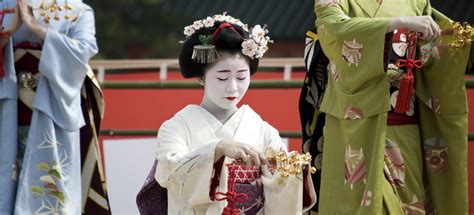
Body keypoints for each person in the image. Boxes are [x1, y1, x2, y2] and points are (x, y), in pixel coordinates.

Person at [307, 0, 473, 214]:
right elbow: (333, 29)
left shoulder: (416, 2)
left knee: (407, 205)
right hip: (356, 125)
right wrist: (399, 22)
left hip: (405, 128)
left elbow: (451, 39)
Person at [153, 13, 316, 214]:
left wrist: (291, 171)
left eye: (241, 77)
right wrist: (217, 149)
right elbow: (169, 172)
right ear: (201, 77)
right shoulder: (176, 127)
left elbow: (283, 192)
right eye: (222, 77)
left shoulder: (262, 130)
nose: (233, 88)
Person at [0, 0, 109, 214]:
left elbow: (84, 51)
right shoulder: (4, 6)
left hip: (53, 111)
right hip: (6, 110)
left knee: (51, 189)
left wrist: (39, 29)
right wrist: (7, 33)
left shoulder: (77, 10)